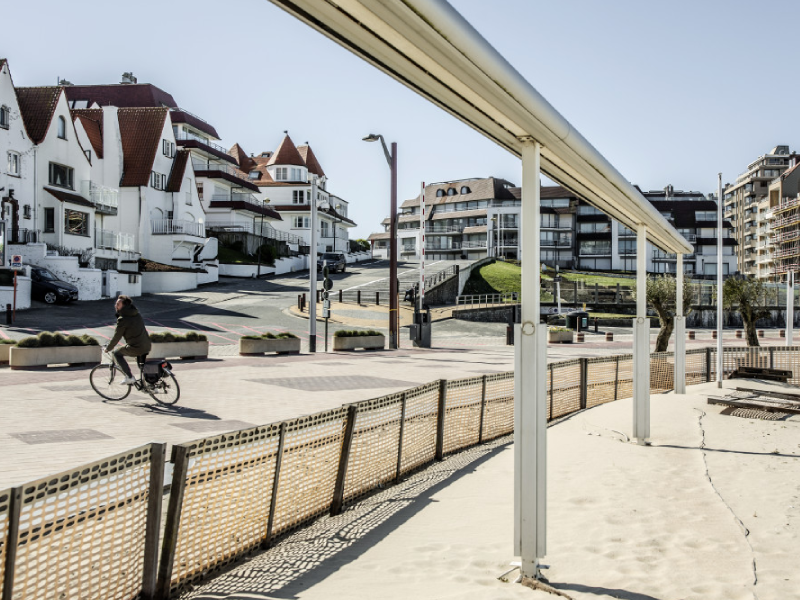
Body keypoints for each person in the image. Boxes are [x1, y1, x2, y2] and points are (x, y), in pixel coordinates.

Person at [105, 295, 151, 385]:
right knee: (141, 366)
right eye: (116, 303)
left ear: (124, 306)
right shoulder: (136, 314)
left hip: (136, 347)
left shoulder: (123, 319)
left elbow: (116, 337)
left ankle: (129, 377)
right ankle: (151, 385)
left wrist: (109, 348)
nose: (116, 305)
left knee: (116, 353)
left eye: (118, 304)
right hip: (146, 345)